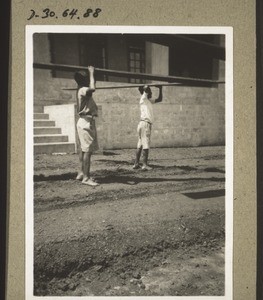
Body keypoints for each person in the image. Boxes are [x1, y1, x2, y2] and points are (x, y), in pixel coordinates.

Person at [74, 66, 99, 186]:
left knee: (84, 150)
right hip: (86, 122)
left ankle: (81, 173)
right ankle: (86, 178)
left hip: (85, 121)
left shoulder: (81, 89)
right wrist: (91, 73)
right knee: (87, 151)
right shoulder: (83, 89)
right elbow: (93, 88)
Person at [133, 85, 163, 170]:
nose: (151, 92)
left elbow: (160, 99)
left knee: (140, 144)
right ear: (146, 92)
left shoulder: (149, 101)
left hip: (142, 124)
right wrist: (148, 86)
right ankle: (144, 165)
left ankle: (136, 164)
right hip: (145, 124)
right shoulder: (143, 98)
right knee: (145, 144)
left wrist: (160, 88)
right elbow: (145, 88)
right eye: (150, 91)